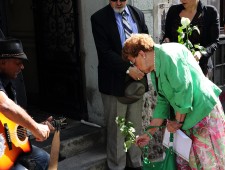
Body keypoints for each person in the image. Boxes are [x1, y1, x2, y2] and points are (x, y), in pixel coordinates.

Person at [122, 33, 225, 169]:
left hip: (203, 113)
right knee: (194, 164)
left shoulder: (168, 54)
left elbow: (183, 90)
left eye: (134, 62)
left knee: (210, 164)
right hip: (188, 118)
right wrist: (148, 134)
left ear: (142, 54)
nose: (136, 67)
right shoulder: (154, 69)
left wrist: (177, 122)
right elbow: (163, 102)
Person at [91, 0, 149, 169]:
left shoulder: (138, 14)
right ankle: (117, 166)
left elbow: (146, 43)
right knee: (117, 129)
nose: (118, 2)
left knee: (135, 126)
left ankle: (135, 163)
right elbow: (104, 52)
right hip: (114, 82)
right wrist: (128, 69)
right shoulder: (99, 18)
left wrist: (144, 66)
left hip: (137, 81)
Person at [0, 37, 53, 170]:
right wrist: (35, 127)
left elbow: (12, 124)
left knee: (45, 159)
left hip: (8, 147)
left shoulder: (9, 84)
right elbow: (5, 106)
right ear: (2, 62)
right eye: (18, 63)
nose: (22, 67)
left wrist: (36, 128)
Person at [162, 0, 219, 78]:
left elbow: (214, 42)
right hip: (176, 68)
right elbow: (167, 35)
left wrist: (201, 53)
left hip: (201, 69)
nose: (181, 0)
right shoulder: (173, 11)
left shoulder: (210, 12)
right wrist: (166, 41)